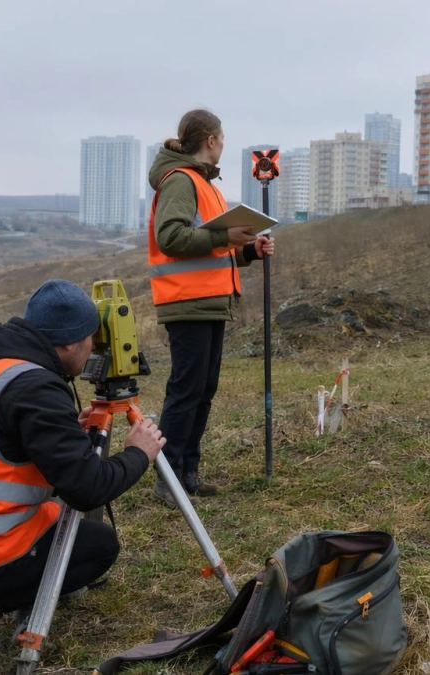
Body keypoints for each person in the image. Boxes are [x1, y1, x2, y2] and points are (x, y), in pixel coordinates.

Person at [0, 279, 166, 657]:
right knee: (97, 546)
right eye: (91, 340)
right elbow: (87, 489)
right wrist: (139, 453)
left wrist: (65, 434)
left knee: (54, 517)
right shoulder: (35, 389)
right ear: (71, 343)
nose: (94, 349)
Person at [146, 108, 275, 508]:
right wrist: (224, 234)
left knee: (203, 390)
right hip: (187, 301)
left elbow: (210, 250)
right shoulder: (181, 181)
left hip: (209, 301)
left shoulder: (204, 184)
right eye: (222, 138)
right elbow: (171, 238)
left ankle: (187, 473)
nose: (223, 144)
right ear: (212, 140)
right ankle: (167, 479)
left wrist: (248, 251)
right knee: (186, 391)